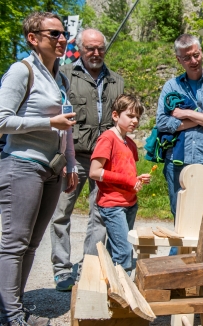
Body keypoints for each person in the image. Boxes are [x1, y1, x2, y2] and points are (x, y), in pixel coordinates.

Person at [0, 12, 78, 326]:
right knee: (14, 243)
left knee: (31, 244)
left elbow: (67, 126)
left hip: (51, 170)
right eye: (54, 34)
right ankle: (11, 316)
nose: (62, 40)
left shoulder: (59, 77)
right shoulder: (22, 71)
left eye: (64, 35)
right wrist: (48, 121)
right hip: (21, 165)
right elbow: (2, 121)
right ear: (34, 38)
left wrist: (70, 163)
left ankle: (10, 311)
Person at [50, 27, 124, 291]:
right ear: (80, 48)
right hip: (73, 156)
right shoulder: (65, 74)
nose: (96, 53)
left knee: (100, 214)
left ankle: (90, 268)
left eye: (100, 48)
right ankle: (61, 270)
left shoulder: (117, 81)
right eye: (90, 48)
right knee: (61, 212)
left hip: (104, 160)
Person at [156, 33, 203, 237]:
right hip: (176, 162)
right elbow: (162, 123)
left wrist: (187, 113)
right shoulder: (171, 87)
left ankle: (199, 265)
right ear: (178, 60)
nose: (193, 61)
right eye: (187, 57)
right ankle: (179, 263)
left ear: (201, 53)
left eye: (196, 55)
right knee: (178, 215)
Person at [89, 94, 150, 274]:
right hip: (113, 205)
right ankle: (123, 296)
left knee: (115, 250)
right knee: (124, 253)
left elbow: (126, 171)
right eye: (130, 116)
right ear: (115, 115)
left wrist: (138, 179)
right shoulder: (107, 138)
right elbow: (95, 172)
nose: (135, 120)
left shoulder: (129, 143)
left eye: (137, 117)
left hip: (130, 203)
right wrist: (128, 180)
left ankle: (108, 289)